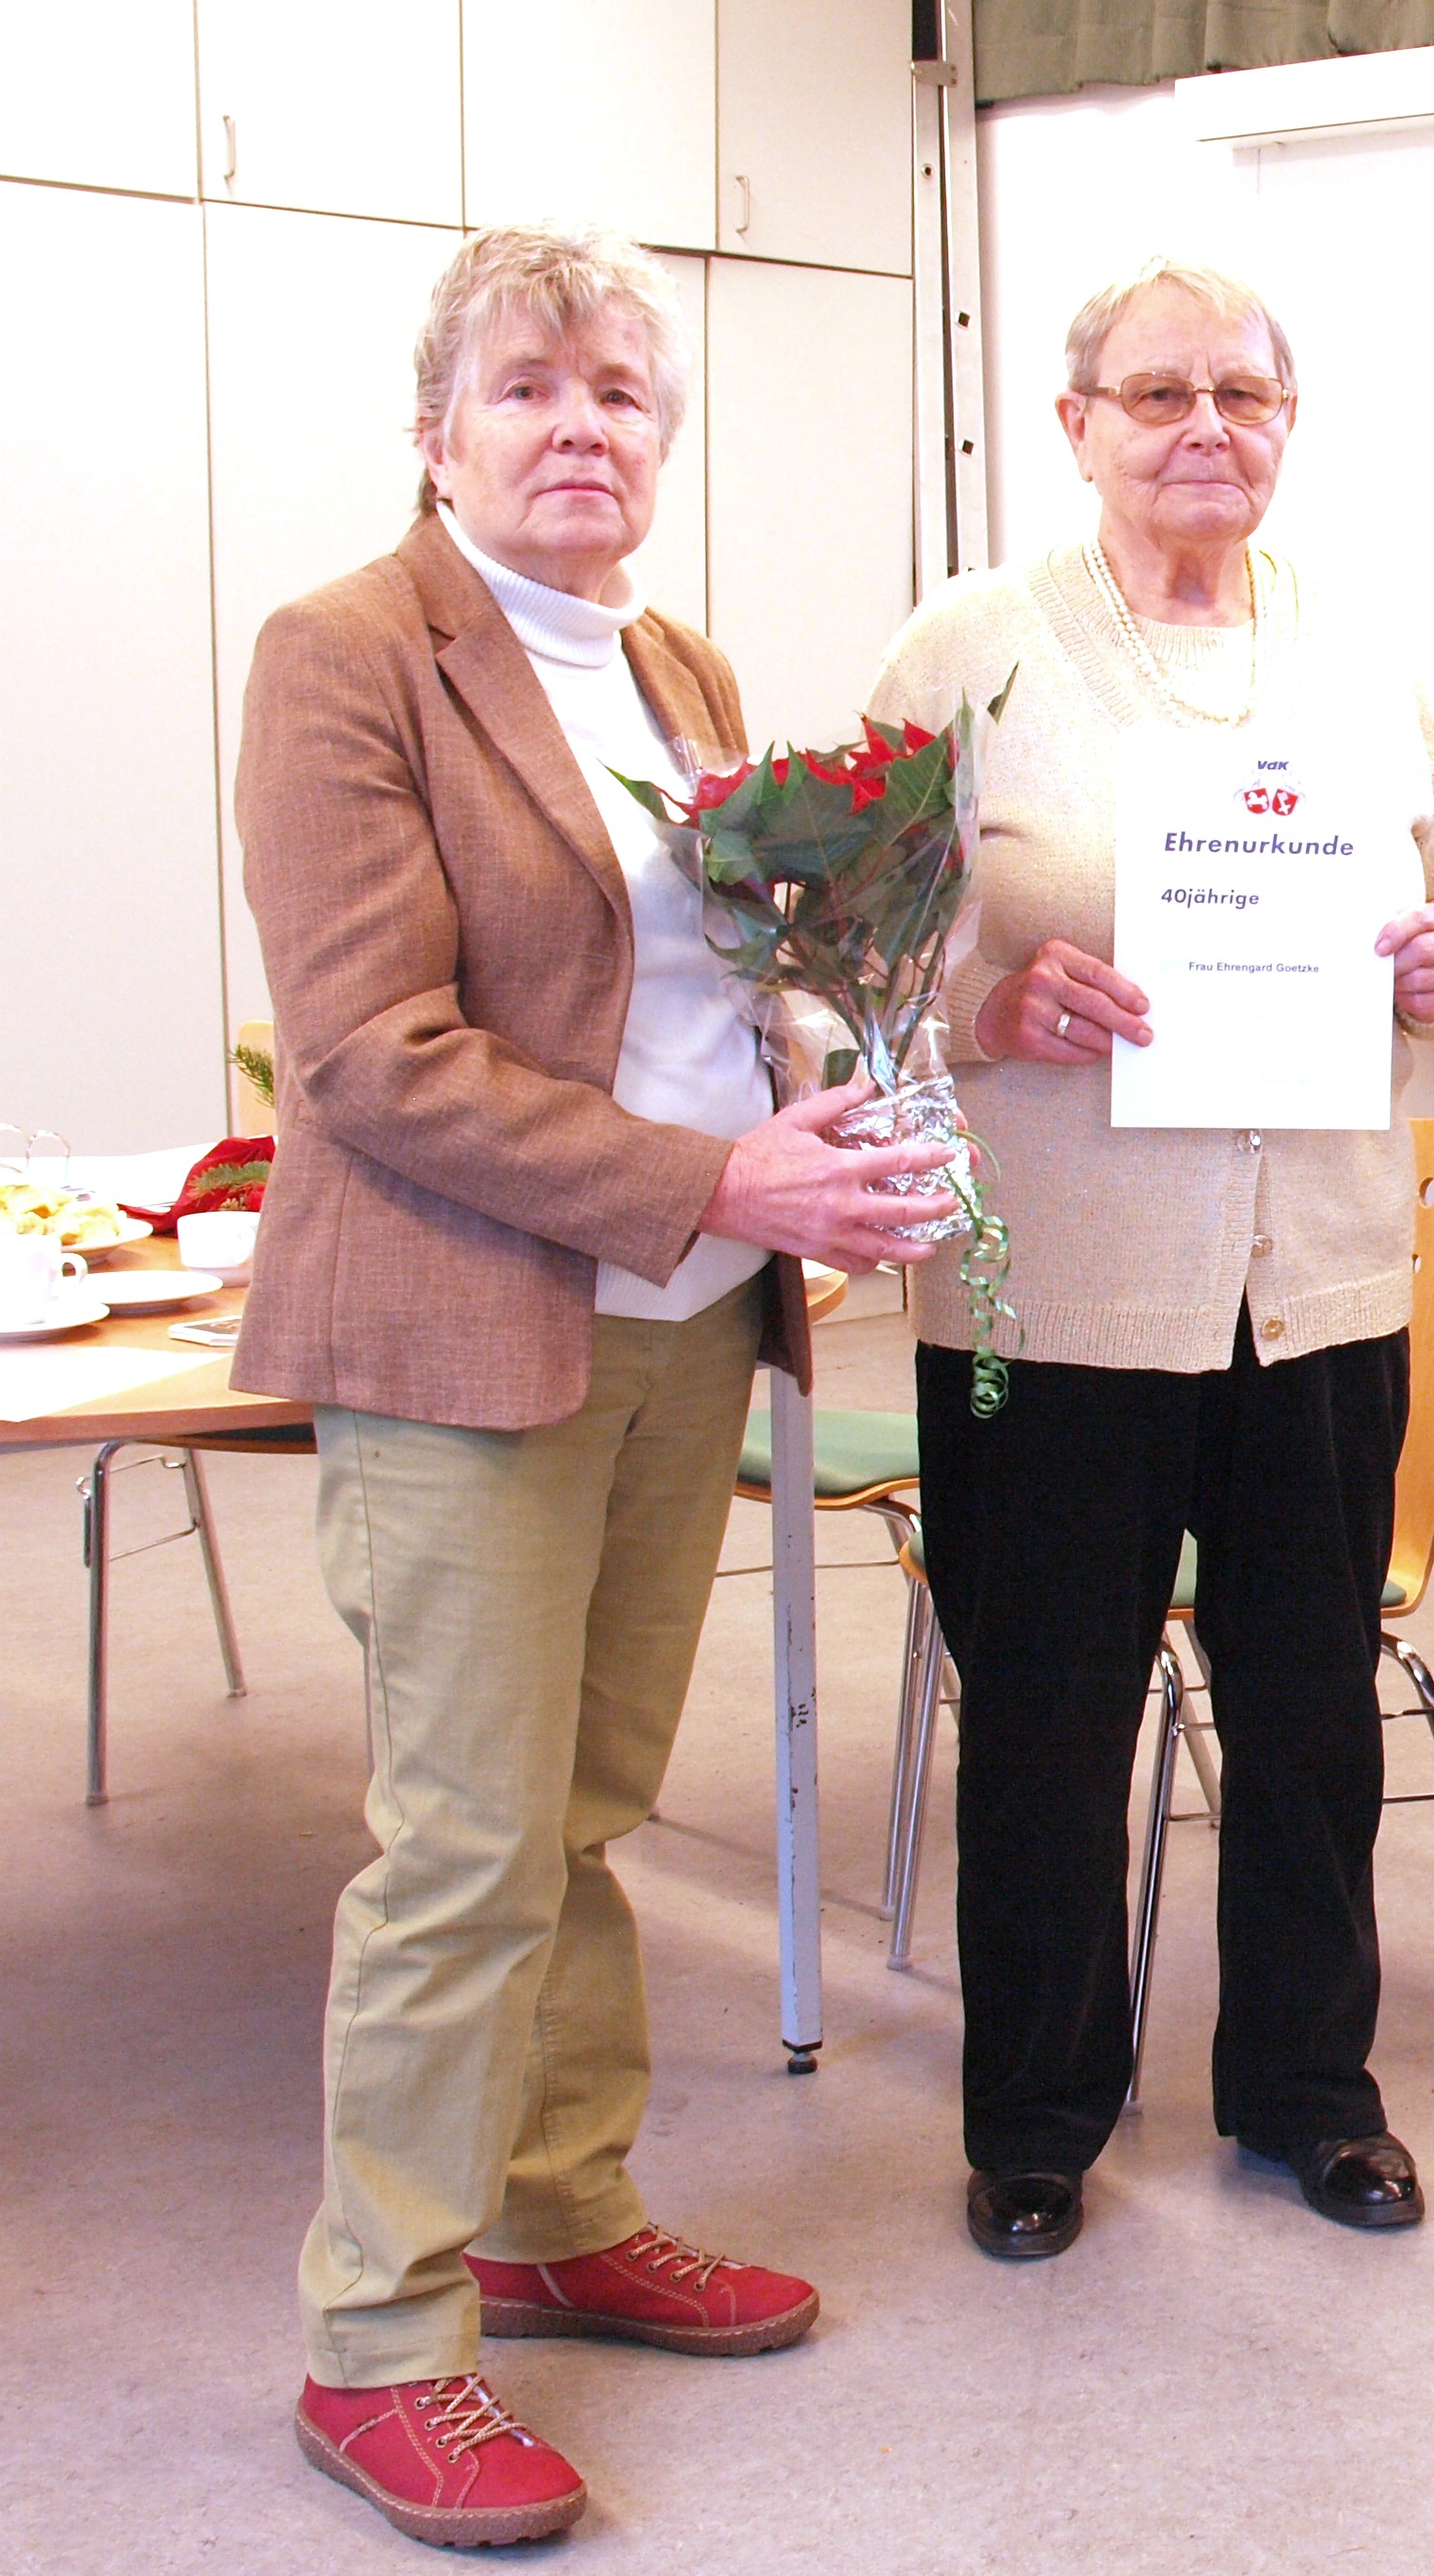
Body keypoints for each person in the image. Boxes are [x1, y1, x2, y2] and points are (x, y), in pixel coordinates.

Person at [236, 223, 956, 2548]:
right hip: (467, 1320)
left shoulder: (671, 655)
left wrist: (828, 1075)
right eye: (530, 389)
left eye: (623, 394)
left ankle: (557, 2204)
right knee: (458, 1843)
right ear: (439, 428)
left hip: (678, 1314)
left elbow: (725, 969)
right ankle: (382, 2334)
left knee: (584, 1809)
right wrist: (715, 1169)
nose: (582, 428)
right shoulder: (349, 656)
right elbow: (369, 1056)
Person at [869, 257, 1434, 2256]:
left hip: (1314, 1275)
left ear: (1291, 423)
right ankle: (1040, 2118)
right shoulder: (962, 653)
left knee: (1309, 1709)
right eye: (1157, 395)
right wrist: (984, 1007)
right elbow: (842, 956)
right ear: (1077, 427)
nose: (1205, 426)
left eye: (1245, 390)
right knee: (1050, 1717)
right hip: (1052, 1284)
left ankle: (1311, 2091)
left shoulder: (1368, 648)